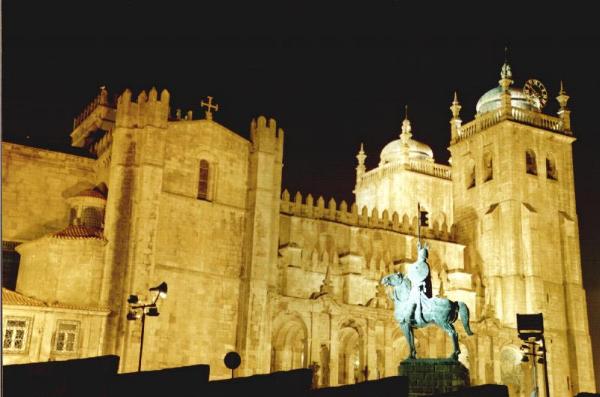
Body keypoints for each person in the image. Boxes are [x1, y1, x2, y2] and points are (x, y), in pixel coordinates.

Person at [406, 241, 431, 326]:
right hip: (418, 285)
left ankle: (414, 317)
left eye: (422, 256)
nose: (421, 258)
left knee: (414, 297)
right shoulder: (419, 264)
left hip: (422, 288)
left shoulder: (425, 266)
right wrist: (419, 249)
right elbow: (413, 272)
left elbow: (423, 277)